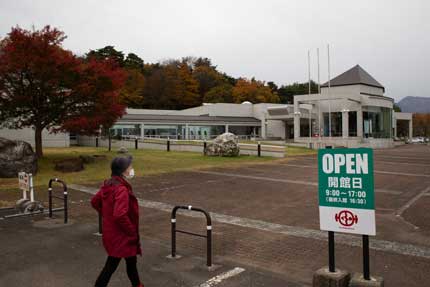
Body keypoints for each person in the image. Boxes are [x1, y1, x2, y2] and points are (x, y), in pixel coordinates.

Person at [91, 155, 144, 287]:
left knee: (131, 262)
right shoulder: (121, 189)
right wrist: (131, 231)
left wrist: (106, 216)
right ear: (123, 171)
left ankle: (137, 284)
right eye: (130, 167)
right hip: (122, 236)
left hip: (113, 233)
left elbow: (95, 201)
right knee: (111, 265)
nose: (132, 169)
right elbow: (120, 215)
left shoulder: (109, 184)